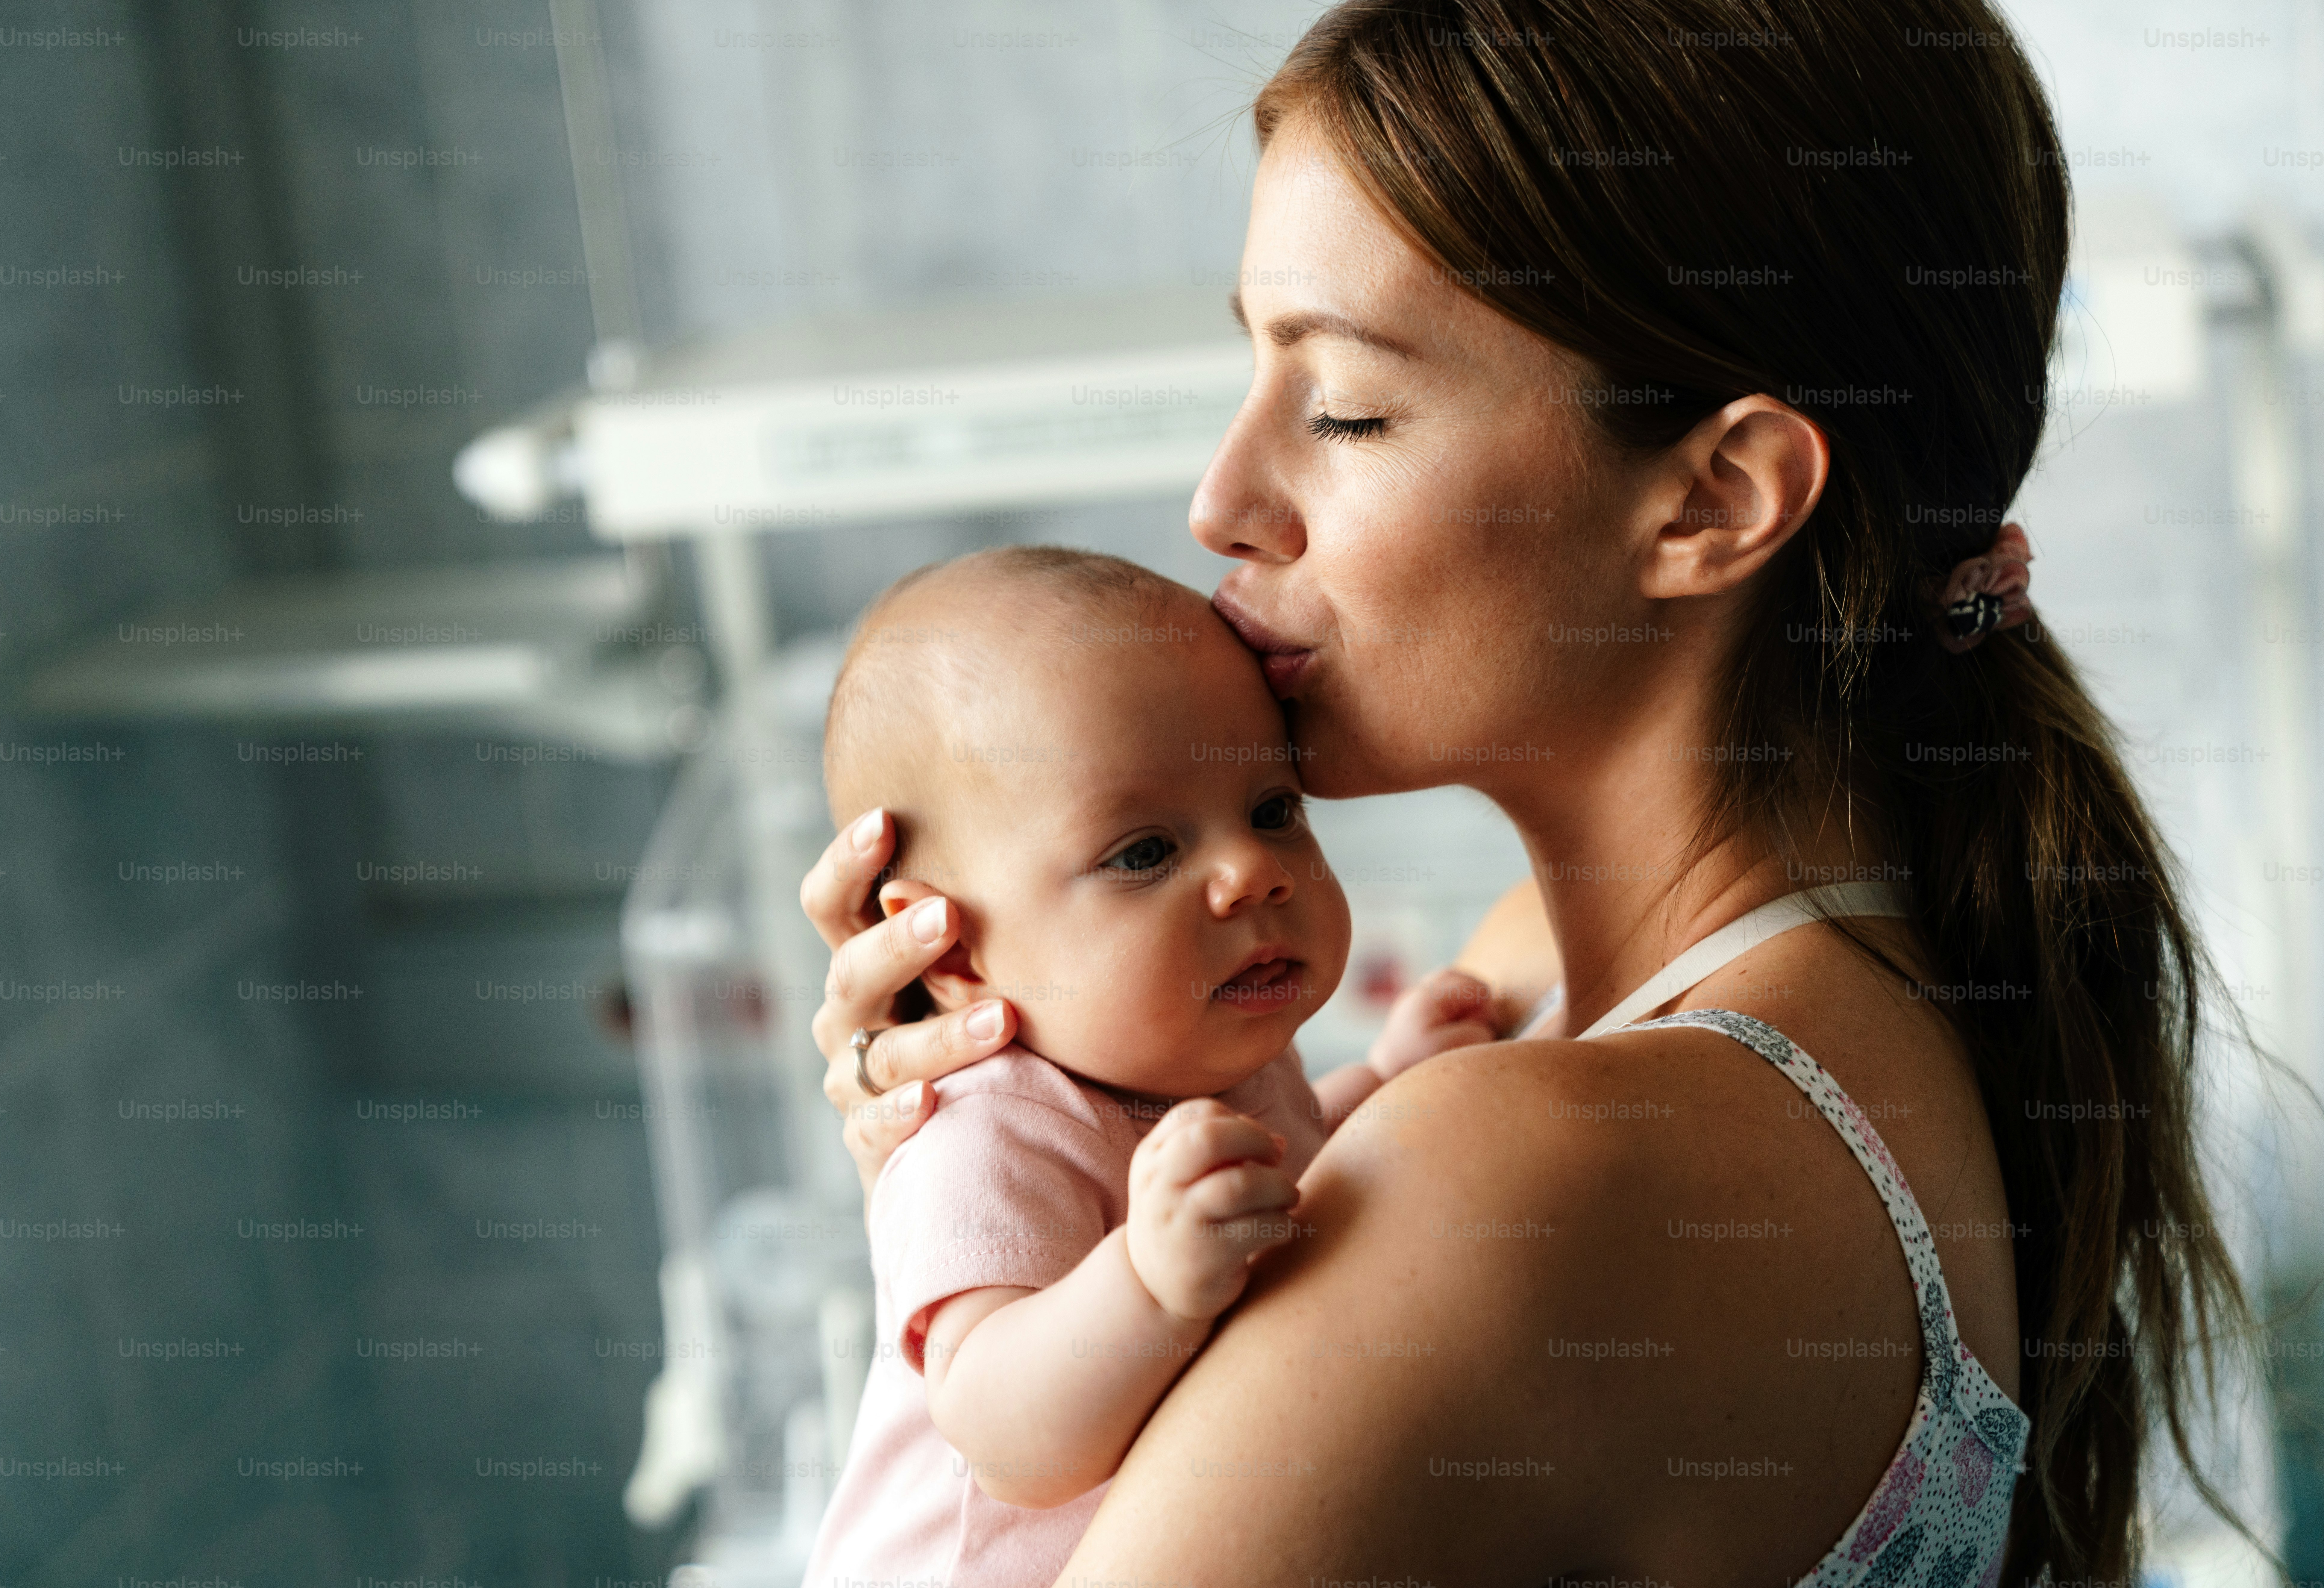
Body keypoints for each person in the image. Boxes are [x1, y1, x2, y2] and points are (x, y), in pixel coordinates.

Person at [799, 1, 2255, 1581]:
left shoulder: (1519, 1180)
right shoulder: (1759, 960)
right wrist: (987, 1130)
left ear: (1714, 497)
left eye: (1346, 407)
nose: (1223, 502)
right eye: (1252, 371)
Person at [804, 548, 1462, 1587]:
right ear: (954, 949)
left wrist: (1382, 1080)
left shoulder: (1220, 1056)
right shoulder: (984, 1133)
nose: (1251, 872)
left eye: (1272, 811)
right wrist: (1147, 1286)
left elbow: (1269, 1173)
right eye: (1145, 853)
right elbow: (1005, 1434)